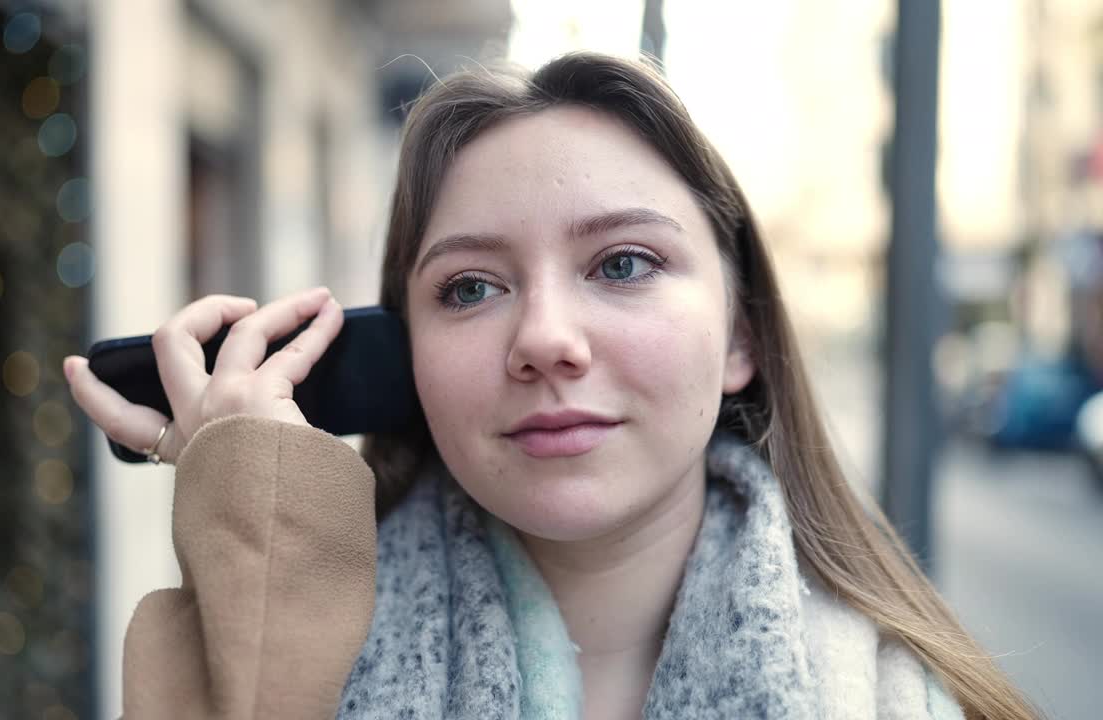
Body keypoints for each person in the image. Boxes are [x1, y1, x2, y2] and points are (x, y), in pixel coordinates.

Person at [64, 52, 1039, 719]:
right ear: (406, 352)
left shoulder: (889, 698)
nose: (542, 340)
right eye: (471, 287)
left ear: (740, 335)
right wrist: (256, 541)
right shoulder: (284, 620)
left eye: (620, 265)